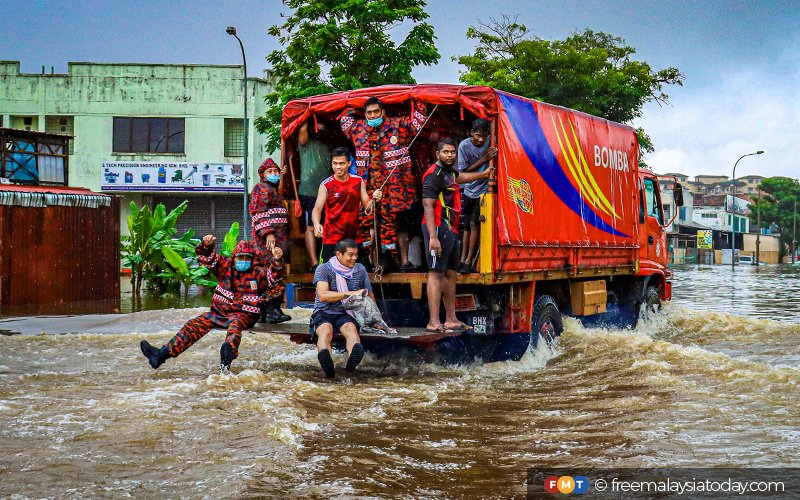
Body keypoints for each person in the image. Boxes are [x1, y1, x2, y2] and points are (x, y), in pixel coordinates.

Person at [140, 238, 286, 371]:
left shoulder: (257, 273)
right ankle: (161, 355)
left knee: (234, 329)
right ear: (234, 257)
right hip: (219, 312)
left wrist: (277, 260)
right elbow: (208, 259)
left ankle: (225, 365)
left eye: (247, 258)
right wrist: (207, 246)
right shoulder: (225, 266)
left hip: (244, 314)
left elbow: (274, 277)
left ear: (252, 259)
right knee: (193, 324)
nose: (243, 260)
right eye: (240, 257)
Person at [340, 96, 428, 271]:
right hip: (367, 188)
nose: (372, 116)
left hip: (395, 189)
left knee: (394, 224)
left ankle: (394, 261)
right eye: (369, 113)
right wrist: (355, 107)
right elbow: (344, 116)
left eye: (376, 112)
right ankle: (369, 260)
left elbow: (419, 122)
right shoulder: (358, 128)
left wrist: (416, 97)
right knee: (367, 224)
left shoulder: (398, 126)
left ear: (383, 112)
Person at [422, 138, 494, 333]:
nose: (450, 155)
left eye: (452, 152)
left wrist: (484, 174)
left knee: (451, 273)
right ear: (437, 154)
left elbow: (460, 177)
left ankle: (451, 318)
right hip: (437, 227)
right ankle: (434, 321)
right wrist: (433, 237)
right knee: (436, 273)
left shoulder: (449, 172)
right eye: (445, 152)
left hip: (452, 228)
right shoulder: (433, 175)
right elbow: (427, 205)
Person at [311, 238, 374, 378]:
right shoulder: (324, 269)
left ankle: (353, 358)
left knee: (351, 329)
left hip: (346, 312)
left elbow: (369, 294)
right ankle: (325, 357)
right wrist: (349, 293)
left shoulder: (360, 269)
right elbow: (323, 295)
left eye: (356, 255)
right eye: (350, 255)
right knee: (325, 331)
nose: (354, 258)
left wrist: (375, 319)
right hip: (323, 311)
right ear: (339, 254)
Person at [311, 147, 382, 262]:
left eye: (342, 163)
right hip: (332, 239)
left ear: (349, 163)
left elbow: (367, 207)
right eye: (335, 163)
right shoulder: (326, 185)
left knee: (356, 275)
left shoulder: (358, 182)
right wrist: (316, 224)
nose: (338, 167)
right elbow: (316, 210)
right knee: (330, 275)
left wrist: (375, 199)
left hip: (353, 238)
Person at [249, 158, 291, 323]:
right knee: (272, 271)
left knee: (272, 272)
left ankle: (266, 311)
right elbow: (258, 212)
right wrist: (268, 233)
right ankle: (271, 311)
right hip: (268, 241)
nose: (274, 174)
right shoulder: (262, 188)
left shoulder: (272, 189)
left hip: (277, 239)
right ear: (262, 175)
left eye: (276, 171)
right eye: (270, 172)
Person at [457, 118, 498, 274]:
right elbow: (463, 172)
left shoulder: (491, 141)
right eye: (477, 135)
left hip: (483, 193)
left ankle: (468, 260)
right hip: (468, 190)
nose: (480, 139)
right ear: (471, 133)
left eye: (484, 136)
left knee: (474, 225)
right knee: (466, 227)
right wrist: (484, 160)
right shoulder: (464, 146)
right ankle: (462, 259)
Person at [297, 120, 331, 271]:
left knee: (328, 226)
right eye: (318, 127)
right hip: (309, 193)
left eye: (323, 127)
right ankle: (314, 263)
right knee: (311, 227)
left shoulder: (330, 145)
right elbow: (302, 128)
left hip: (329, 192)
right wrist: (309, 113)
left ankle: (328, 261)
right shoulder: (305, 143)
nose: (321, 129)